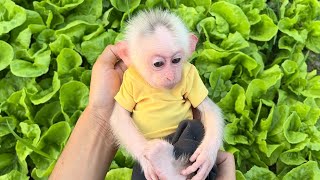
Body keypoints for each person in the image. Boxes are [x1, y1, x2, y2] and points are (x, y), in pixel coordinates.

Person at [49, 45, 236, 180]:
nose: (170, 75)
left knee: (195, 131)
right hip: (151, 147)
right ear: (128, 56)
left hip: (183, 135)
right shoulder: (132, 78)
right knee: (144, 169)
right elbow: (119, 117)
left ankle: (178, 171)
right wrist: (141, 150)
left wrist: (210, 146)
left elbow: (209, 110)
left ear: (189, 46)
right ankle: (171, 170)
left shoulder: (188, 73)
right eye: (158, 63)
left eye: (176, 60)